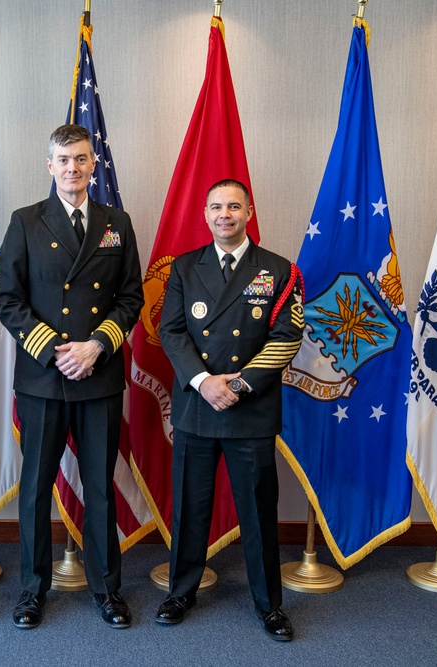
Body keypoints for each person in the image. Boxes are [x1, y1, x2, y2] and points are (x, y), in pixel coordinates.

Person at [0, 124, 143, 629]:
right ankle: (32, 590)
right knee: (36, 487)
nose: (72, 168)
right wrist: (54, 350)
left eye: (81, 159)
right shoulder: (26, 221)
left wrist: (96, 345)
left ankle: (107, 590)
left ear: (93, 163)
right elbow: (7, 300)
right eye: (63, 159)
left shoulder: (116, 222)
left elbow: (131, 299)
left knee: (100, 486)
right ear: (49, 165)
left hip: (97, 376)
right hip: (43, 377)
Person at [155, 179, 304, 641]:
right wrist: (204, 382)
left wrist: (236, 384)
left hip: (249, 408)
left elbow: (288, 338)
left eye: (234, 207)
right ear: (205, 214)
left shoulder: (280, 270)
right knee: (190, 507)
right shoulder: (183, 268)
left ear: (249, 212)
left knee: (258, 511)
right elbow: (171, 331)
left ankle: (269, 604)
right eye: (217, 206)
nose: (225, 214)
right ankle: (181, 591)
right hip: (198, 406)